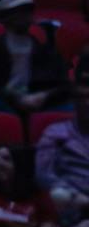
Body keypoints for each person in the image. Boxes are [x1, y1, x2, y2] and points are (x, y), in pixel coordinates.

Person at [0, 0, 67, 115]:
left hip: (37, 101)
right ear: (6, 15)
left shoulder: (45, 51)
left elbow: (62, 84)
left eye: (27, 10)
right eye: (17, 11)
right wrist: (15, 98)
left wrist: (44, 95)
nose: (23, 15)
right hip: (3, 101)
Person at [35, 62, 89, 198]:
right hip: (72, 205)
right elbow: (44, 176)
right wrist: (77, 197)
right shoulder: (55, 133)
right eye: (85, 85)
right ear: (74, 94)